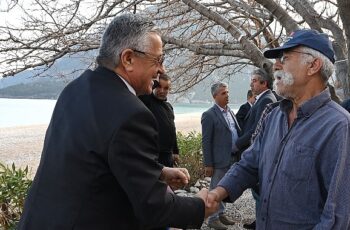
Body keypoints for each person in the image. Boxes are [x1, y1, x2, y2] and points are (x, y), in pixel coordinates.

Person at [18, 14, 219, 230]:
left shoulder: (74, 89)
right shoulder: (132, 114)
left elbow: (95, 159)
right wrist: (199, 206)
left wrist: (158, 172)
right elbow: (154, 207)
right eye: (158, 60)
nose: (162, 70)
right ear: (128, 59)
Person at [207, 29, 350, 229]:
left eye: (285, 58)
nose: (276, 66)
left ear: (313, 65)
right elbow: (249, 163)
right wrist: (218, 191)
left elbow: (337, 217)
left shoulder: (340, 127)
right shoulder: (275, 116)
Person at [201, 82, 240, 230]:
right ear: (215, 96)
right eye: (223, 93)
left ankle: (221, 213)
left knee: (225, 187)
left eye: (228, 92)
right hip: (219, 161)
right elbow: (206, 141)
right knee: (215, 188)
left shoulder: (229, 111)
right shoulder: (209, 115)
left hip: (232, 157)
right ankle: (212, 219)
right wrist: (208, 164)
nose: (227, 95)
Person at [139, 73, 179, 167]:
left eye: (166, 88)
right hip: (153, 154)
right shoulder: (147, 101)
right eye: (159, 86)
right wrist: (157, 77)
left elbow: (172, 129)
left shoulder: (169, 107)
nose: (162, 91)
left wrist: (175, 151)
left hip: (168, 155)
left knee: (167, 181)